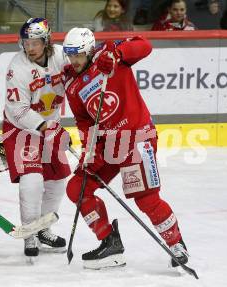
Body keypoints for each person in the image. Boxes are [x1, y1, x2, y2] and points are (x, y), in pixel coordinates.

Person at [62, 27, 190, 269]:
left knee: (145, 199)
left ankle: (176, 244)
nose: (74, 60)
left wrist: (118, 54)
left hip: (136, 139)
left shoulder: (108, 56)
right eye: (70, 55)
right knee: (77, 188)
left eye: (78, 55)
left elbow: (144, 45)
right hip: (106, 145)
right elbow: (84, 121)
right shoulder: (72, 83)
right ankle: (110, 242)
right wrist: (88, 149)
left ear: (89, 50)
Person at [2, 18, 71, 258]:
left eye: (35, 43)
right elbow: (17, 110)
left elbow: (80, 75)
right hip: (21, 129)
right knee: (31, 181)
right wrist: (45, 127)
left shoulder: (62, 57)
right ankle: (29, 233)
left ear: (46, 41)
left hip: (49, 125)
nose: (29, 48)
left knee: (57, 181)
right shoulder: (17, 67)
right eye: (26, 42)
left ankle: (43, 229)